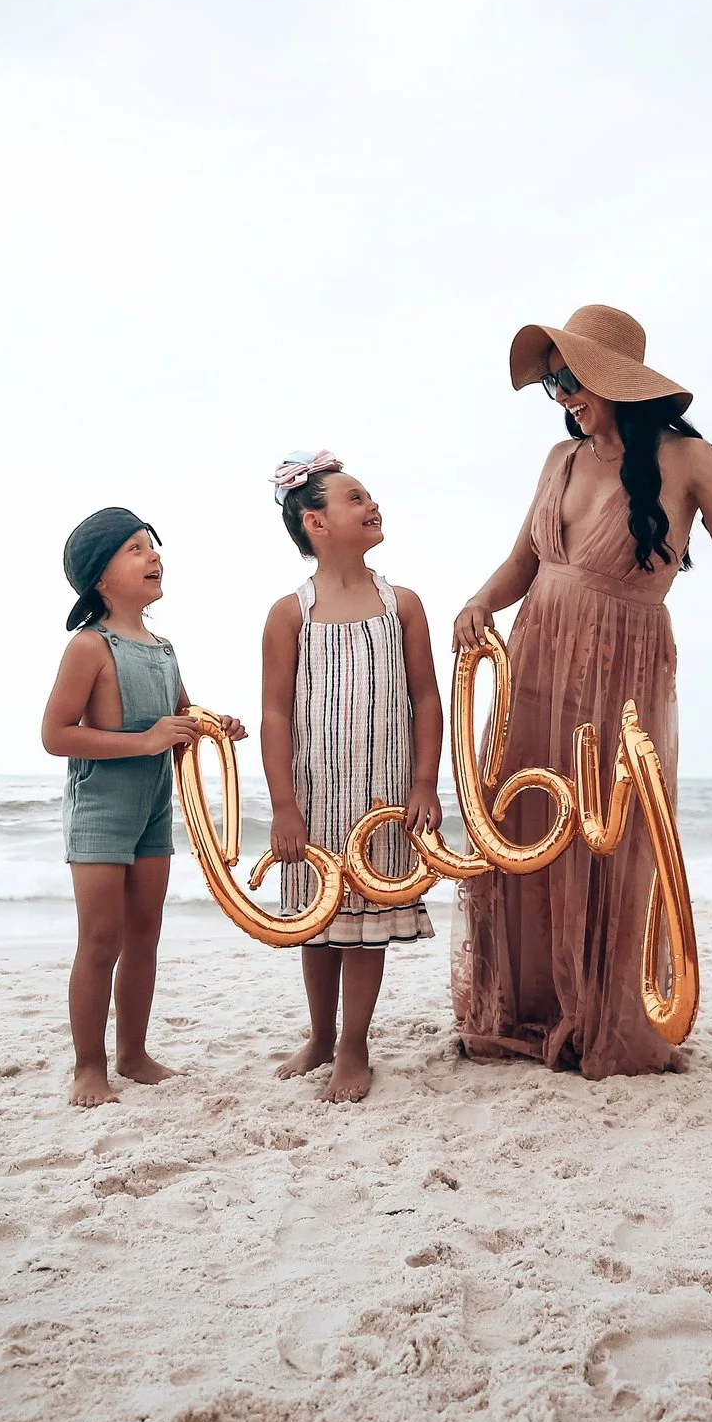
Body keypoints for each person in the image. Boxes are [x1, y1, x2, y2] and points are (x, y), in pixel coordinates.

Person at [451, 304, 712, 1078]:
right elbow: (522, 563)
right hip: (537, 660)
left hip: (621, 666)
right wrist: (480, 600)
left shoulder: (688, 461)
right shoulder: (560, 458)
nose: (561, 398)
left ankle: (598, 1014)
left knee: (611, 837)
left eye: (569, 380)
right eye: (552, 384)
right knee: (526, 821)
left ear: (613, 379)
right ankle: (527, 1009)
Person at [38, 507, 243, 1108]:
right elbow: (56, 735)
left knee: (145, 934)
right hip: (101, 807)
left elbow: (181, 715)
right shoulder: (89, 647)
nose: (152, 556)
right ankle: (88, 1066)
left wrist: (213, 724)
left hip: (154, 808)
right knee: (100, 938)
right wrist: (145, 741)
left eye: (151, 546)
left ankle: (132, 1053)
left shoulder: (163, 647)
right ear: (100, 576)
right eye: (134, 548)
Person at [258, 452, 446, 1102]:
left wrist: (425, 784)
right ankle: (318, 1034)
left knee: (365, 925)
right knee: (320, 920)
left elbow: (426, 698)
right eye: (355, 498)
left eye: (370, 495)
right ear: (316, 522)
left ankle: (354, 1042)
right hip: (316, 800)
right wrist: (284, 806)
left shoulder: (403, 605)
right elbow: (275, 714)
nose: (372, 505)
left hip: (381, 799)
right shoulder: (291, 614)